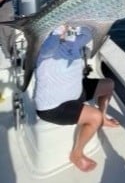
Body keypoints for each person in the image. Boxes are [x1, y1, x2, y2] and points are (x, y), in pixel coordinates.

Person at [33, 24, 119, 172]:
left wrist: (83, 21)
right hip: (53, 107)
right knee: (94, 117)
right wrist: (59, 27)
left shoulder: (74, 41)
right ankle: (76, 154)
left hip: (75, 93)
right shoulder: (45, 48)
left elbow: (88, 33)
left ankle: (103, 119)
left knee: (108, 85)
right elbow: (50, 46)